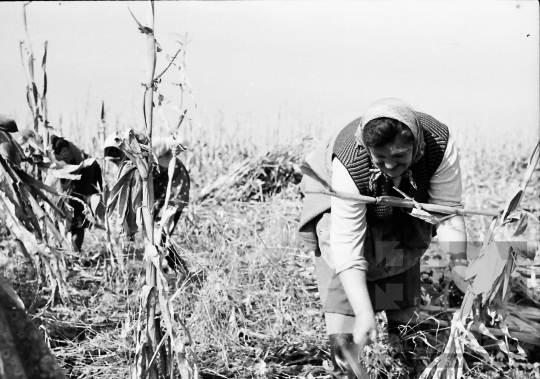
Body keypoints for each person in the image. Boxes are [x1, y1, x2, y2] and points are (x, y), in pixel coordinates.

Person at [299, 98, 469, 378]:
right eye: (381, 158)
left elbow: (447, 213)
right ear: (368, 149)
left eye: (400, 156)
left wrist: (459, 266)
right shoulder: (349, 164)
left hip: (402, 209)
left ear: (416, 144)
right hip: (338, 209)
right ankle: (346, 364)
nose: (390, 165)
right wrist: (364, 313)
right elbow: (348, 247)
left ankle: (404, 357)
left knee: (399, 268)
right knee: (344, 296)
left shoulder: (439, 143)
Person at [104, 132, 190, 271]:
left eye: (116, 155)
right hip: (155, 196)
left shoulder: (151, 148)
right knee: (152, 237)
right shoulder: (124, 167)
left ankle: (182, 272)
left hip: (174, 190)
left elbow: (181, 141)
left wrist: (177, 146)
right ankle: (168, 272)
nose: (116, 162)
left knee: (160, 239)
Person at [47, 134, 103, 252]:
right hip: (63, 200)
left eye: (66, 152)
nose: (65, 155)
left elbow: (94, 184)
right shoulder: (55, 162)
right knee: (63, 226)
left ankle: (74, 254)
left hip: (78, 197)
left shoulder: (87, 163)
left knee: (77, 226)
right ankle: (68, 254)